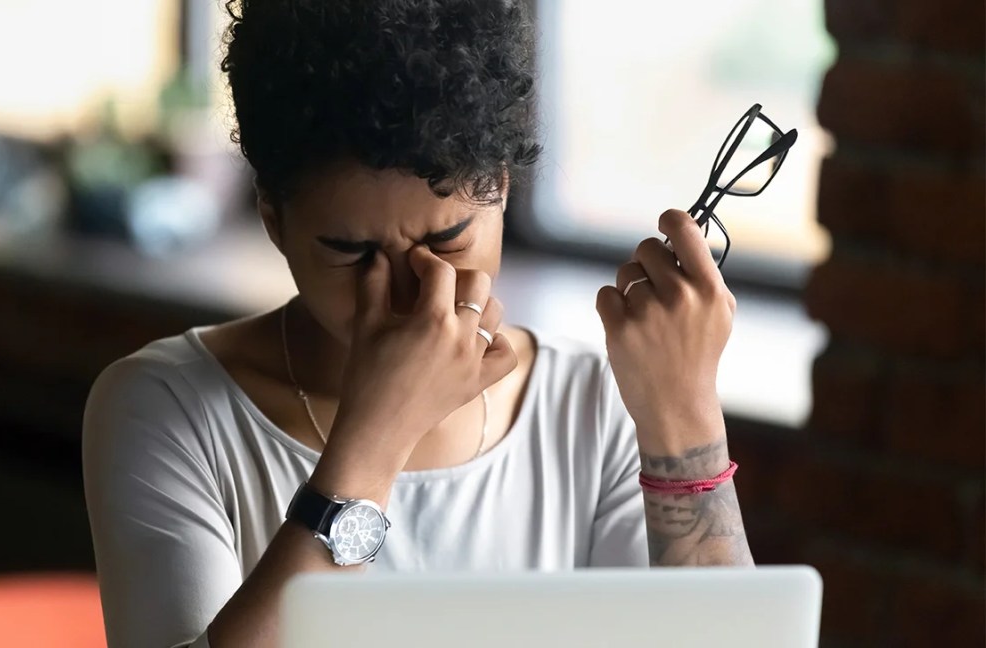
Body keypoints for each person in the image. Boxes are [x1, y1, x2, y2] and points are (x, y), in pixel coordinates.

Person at [82, 1, 752, 646]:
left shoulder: (587, 406)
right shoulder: (165, 409)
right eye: (352, 252)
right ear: (274, 222)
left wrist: (684, 415)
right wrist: (374, 439)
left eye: (449, 238)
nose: (410, 290)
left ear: (500, 188)